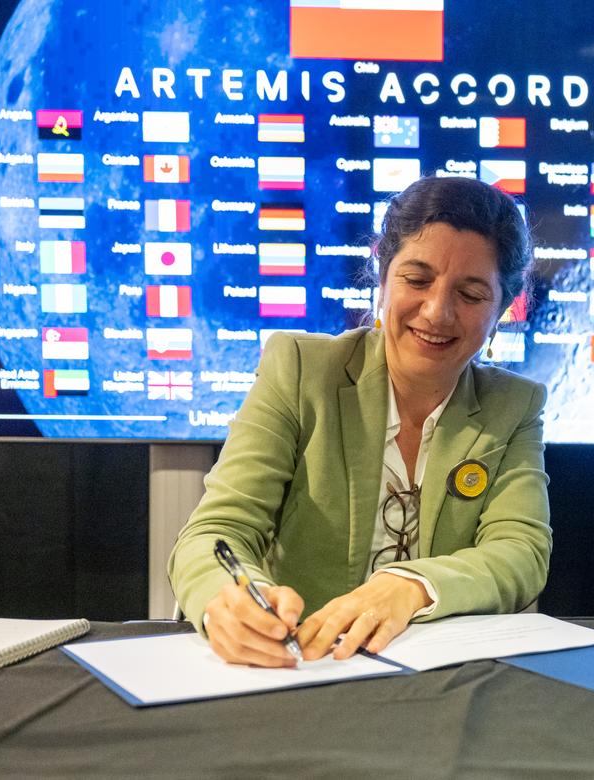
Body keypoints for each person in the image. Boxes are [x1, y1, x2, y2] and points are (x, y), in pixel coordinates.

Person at [168, 176, 551, 666]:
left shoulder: (514, 406)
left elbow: (521, 553)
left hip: (441, 687)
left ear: (503, 309)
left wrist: (411, 587)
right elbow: (215, 532)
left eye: (471, 294)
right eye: (416, 280)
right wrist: (232, 602)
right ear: (382, 276)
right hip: (301, 669)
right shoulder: (300, 370)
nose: (437, 312)